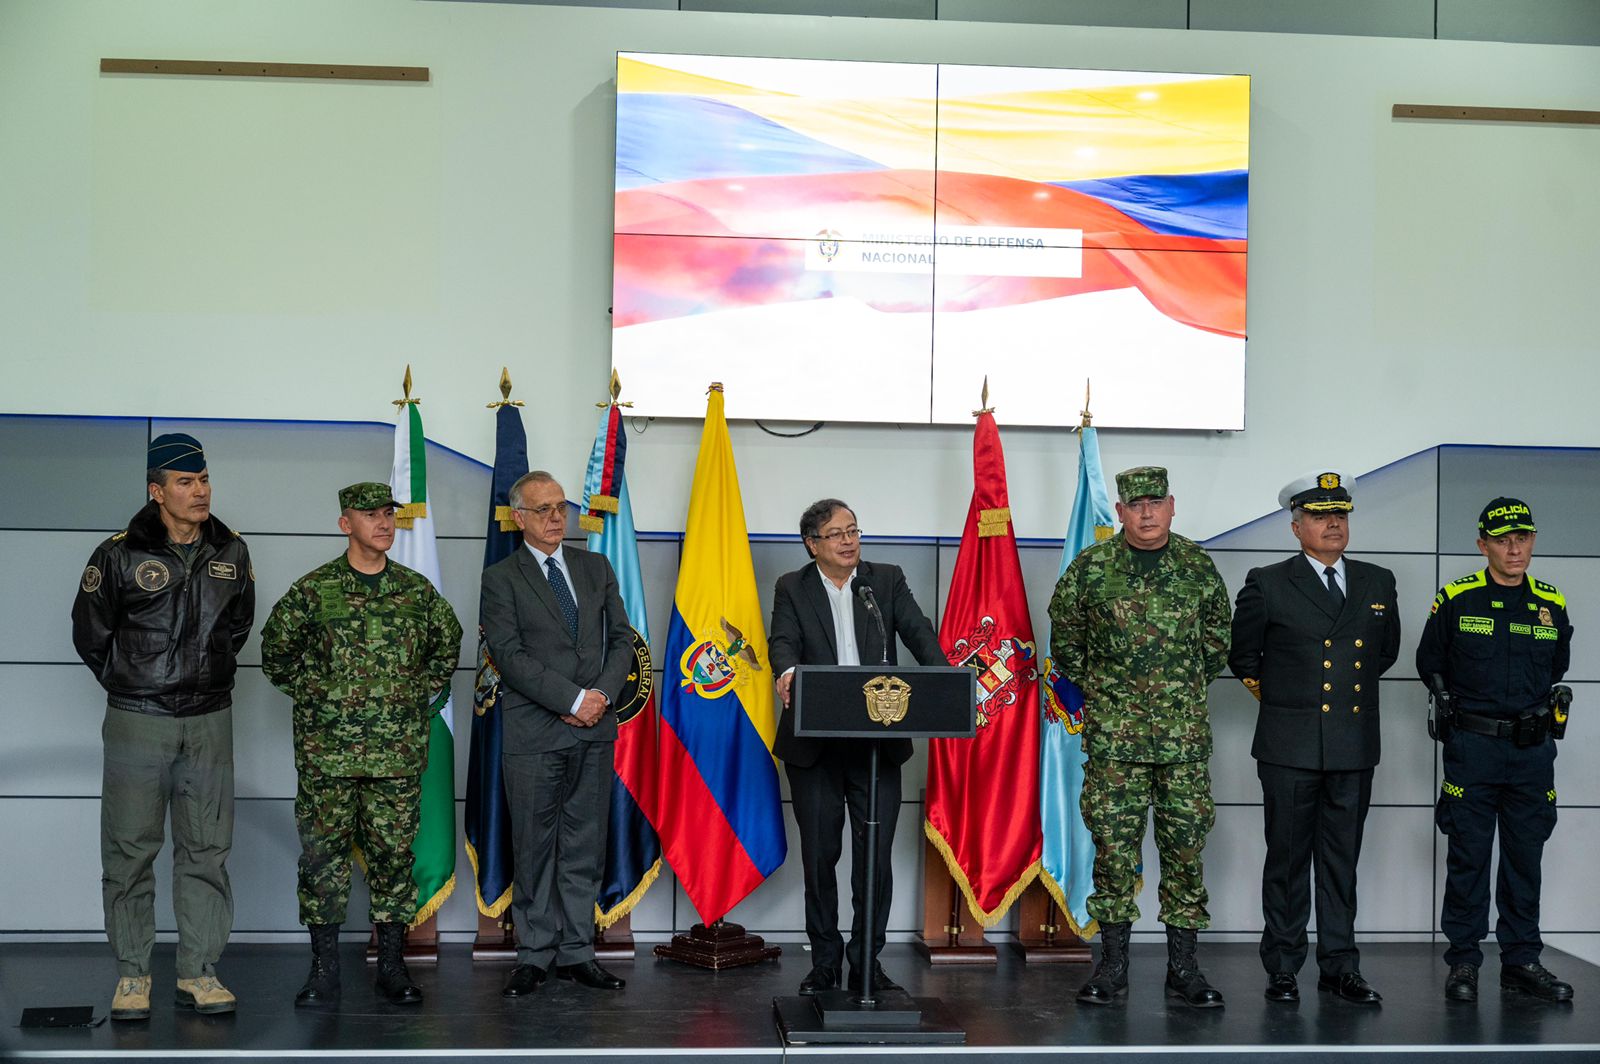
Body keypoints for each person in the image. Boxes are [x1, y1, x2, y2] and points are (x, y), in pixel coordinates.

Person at [70, 432, 255, 1020]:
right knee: (129, 849)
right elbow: (91, 633)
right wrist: (135, 684)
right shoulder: (118, 553)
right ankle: (132, 975)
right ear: (157, 492)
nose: (199, 492)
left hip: (209, 721)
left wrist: (202, 678)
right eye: (185, 482)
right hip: (138, 722)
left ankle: (199, 972)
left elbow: (238, 626)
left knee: (206, 848)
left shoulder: (232, 551)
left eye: (203, 480)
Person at [260, 482, 462, 1007]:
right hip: (328, 758)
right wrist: (323, 700)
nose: (384, 523)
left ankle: (392, 966)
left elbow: (448, 645)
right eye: (370, 515)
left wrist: (416, 694)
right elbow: (276, 656)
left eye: (389, 515)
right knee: (322, 859)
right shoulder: (313, 591)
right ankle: (324, 969)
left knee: (394, 858)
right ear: (345, 524)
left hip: (396, 757)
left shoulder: (417, 593)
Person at [1048, 466, 1232, 1009]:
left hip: (1182, 740)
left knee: (1185, 850)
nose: (1147, 513)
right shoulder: (1092, 568)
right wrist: (1112, 693)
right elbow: (1067, 642)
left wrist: (1175, 692)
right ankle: (1114, 966)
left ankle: (1184, 968)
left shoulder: (1198, 565)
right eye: (1136, 504)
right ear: (1121, 512)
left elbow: (1217, 644)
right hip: (1115, 742)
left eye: (1156, 502)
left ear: (1172, 506)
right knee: (1113, 851)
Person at [1228, 472, 1400, 1005]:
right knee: (1285, 859)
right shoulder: (1268, 581)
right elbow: (1244, 657)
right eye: (1323, 517)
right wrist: (1291, 704)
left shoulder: (1377, 581)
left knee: (1341, 861)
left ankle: (1339, 966)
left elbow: (1385, 655)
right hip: (1289, 745)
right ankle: (1282, 966)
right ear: (1296, 526)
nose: (1334, 525)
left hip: (1352, 744)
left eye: (1341, 515)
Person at [768, 498, 947, 998]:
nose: (849, 541)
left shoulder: (883, 581)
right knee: (821, 859)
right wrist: (786, 674)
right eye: (836, 533)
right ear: (812, 544)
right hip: (816, 749)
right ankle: (824, 963)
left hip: (877, 746)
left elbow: (918, 633)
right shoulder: (793, 586)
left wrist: (948, 683)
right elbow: (781, 642)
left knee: (875, 861)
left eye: (854, 530)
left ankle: (867, 961)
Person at [480, 470, 633, 996]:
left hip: (594, 729)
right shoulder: (502, 578)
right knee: (534, 845)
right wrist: (570, 700)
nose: (554, 518)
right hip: (535, 732)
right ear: (518, 517)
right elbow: (509, 655)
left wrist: (597, 700)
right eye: (542, 509)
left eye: (560, 507)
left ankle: (577, 952)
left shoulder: (596, 566)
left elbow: (622, 641)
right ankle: (534, 952)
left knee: (583, 845)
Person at [1418, 497, 1574, 1004]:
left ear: (1532, 541)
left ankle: (1521, 960)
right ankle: (1463, 962)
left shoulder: (1552, 602)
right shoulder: (1457, 598)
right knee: (1468, 856)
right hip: (1474, 748)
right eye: (1503, 539)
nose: (1514, 548)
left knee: (1525, 858)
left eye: (1523, 538)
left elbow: (1556, 669)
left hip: (1532, 753)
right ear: (1482, 543)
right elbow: (1430, 662)